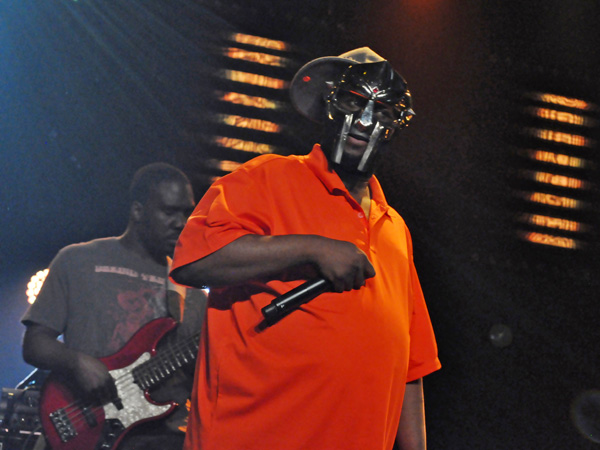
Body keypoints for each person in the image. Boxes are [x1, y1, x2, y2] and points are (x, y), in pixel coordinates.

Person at [171, 48, 441, 450]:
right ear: (330, 107)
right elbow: (194, 261)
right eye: (353, 103)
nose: (365, 121)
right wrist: (312, 249)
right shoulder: (269, 177)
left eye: (383, 112)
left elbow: (410, 365)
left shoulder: (394, 228)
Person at [21, 162, 207, 450]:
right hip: (87, 423)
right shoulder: (78, 260)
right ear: (138, 211)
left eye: (186, 213)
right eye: (169, 212)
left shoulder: (192, 289)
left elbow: (210, 377)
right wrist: (77, 362)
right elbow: (34, 344)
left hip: (165, 437)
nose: (181, 222)